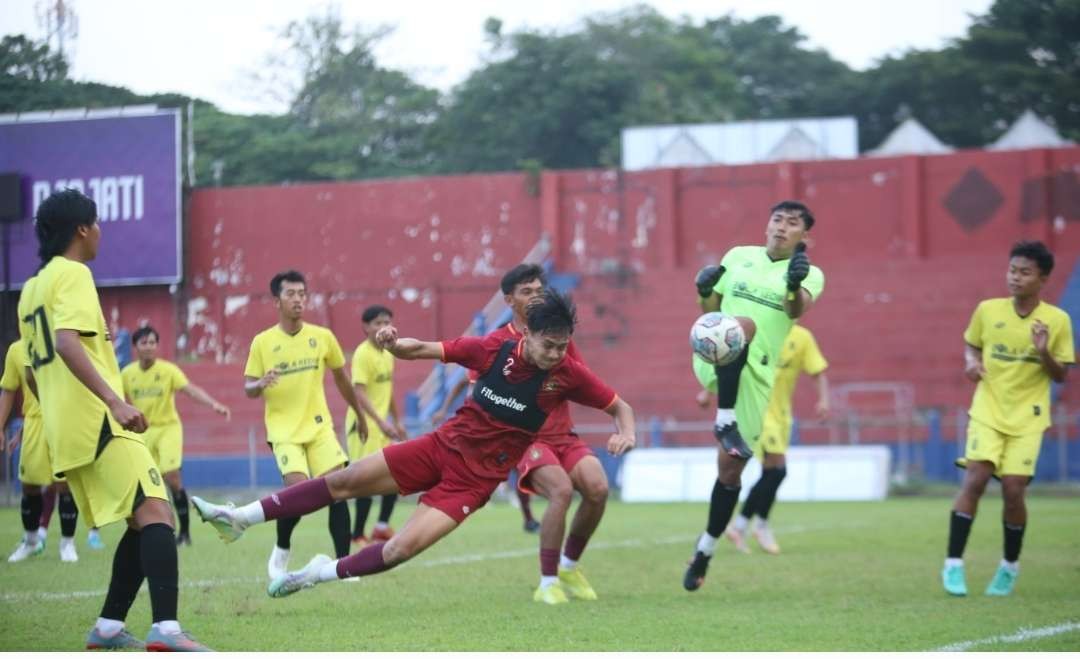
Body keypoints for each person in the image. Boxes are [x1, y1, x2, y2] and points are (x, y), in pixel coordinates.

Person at [192, 289, 636, 600]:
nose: (557, 354)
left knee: (397, 551)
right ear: (527, 336)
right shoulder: (491, 351)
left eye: (563, 346)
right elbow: (421, 348)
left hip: (472, 484)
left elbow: (619, 406)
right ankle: (239, 518)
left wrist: (625, 432)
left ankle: (313, 574)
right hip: (439, 447)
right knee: (343, 481)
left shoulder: (567, 375)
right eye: (550, 345)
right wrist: (392, 342)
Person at [19, 189, 207, 650]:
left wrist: (54, 414)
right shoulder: (74, 273)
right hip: (99, 422)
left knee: (141, 520)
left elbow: (31, 367)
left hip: (65, 432)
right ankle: (167, 630)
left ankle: (107, 627)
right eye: (97, 222)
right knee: (158, 511)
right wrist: (114, 401)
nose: (101, 231)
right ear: (83, 229)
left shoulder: (30, 290)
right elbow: (67, 342)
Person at [684, 200, 824, 591]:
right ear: (767, 225)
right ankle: (723, 417)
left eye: (792, 223)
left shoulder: (811, 273)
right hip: (712, 353)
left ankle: (705, 550)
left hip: (756, 378)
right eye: (777, 219)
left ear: (803, 236)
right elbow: (711, 307)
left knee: (730, 473)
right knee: (739, 324)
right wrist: (704, 289)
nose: (781, 226)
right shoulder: (738, 256)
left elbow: (796, 310)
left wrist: (794, 285)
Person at [943, 240, 1073, 597]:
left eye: (1024, 272)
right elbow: (972, 344)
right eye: (1012, 270)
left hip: (1028, 417)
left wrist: (1044, 351)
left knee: (1014, 490)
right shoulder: (987, 310)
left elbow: (1061, 376)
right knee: (977, 478)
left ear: (1042, 278)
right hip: (988, 409)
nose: (1015, 278)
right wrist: (971, 362)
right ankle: (953, 564)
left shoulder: (1057, 320)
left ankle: (1008, 568)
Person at [243, 270, 365, 579]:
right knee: (299, 493)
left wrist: (360, 415)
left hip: (319, 428)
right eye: (290, 294)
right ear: (276, 301)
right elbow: (248, 388)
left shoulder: (322, 337)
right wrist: (260, 382)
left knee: (339, 488)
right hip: (284, 431)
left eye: (302, 294)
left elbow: (343, 380)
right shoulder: (263, 342)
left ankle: (343, 566)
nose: (298, 299)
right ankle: (282, 548)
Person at [698, 323, 830, 555]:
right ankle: (757, 525)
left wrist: (824, 400)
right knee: (777, 470)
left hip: (782, 416)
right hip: (757, 411)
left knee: (772, 473)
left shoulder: (803, 338)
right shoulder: (760, 331)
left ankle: (740, 525)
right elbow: (731, 359)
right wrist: (708, 391)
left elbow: (817, 371)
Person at [121, 325, 231, 546]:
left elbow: (190, 389)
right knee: (146, 483)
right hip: (143, 432)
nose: (149, 347)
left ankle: (185, 533)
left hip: (168, 428)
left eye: (153, 342)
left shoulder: (169, 370)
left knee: (172, 477)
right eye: (144, 343)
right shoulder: (127, 374)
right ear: (136, 347)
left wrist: (214, 404)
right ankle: (154, 529)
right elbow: (120, 402)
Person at [1, 338, 80, 562]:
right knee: (29, 485)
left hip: (64, 420)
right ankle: (31, 541)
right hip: (34, 421)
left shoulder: (63, 343)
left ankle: (67, 544)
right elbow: (8, 389)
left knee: (65, 484)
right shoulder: (16, 350)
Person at [345, 305, 406, 547]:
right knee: (366, 481)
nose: (383, 327)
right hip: (364, 428)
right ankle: (358, 534)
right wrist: (380, 423)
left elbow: (388, 391)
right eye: (378, 323)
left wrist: (397, 421)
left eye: (387, 322)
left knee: (396, 474)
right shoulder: (362, 354)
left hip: (383, 427)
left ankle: (381, 528)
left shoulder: (388, 352)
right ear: (366, 327)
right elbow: (358, 393)